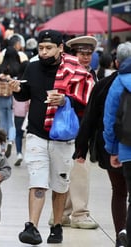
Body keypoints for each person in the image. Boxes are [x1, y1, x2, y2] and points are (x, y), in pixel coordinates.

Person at [9, 29, 94, 244]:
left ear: (60, 48)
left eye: (48, 48)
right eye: (40, 48)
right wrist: (17, 89)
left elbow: (86, 102)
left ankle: (57, 226)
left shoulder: (74, 70)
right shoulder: (32, 67)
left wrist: (65, 101)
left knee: (59, 185)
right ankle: (32, 227)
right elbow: (25, 95)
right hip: (36, 134)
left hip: (63, 139)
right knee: (37, 182)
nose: (44, 52)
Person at [74, 43, 128, 247]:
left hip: (112, 148)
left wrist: (82, 147)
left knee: (119, 191)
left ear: (116, 62)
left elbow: (90, 118)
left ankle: (121, 235)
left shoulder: (106, 84)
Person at [54, 35, 99, 229]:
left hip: (83, 128)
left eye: (89, 53)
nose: (86, 57)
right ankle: (80, 214)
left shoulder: (91, 75)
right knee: (79, 170)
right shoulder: (70, 73)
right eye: (82, 53)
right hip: (73, 127)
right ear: (74, 53)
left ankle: (62, 213)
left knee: (70, 171)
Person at [103, 42, 131, 247]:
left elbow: (110, 120)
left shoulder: (118, 82)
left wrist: (112, 149)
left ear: (118, 62)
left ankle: (125, 234)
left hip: (126, 148)